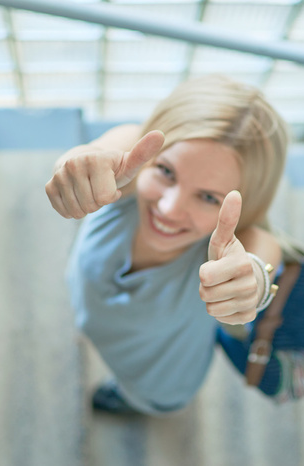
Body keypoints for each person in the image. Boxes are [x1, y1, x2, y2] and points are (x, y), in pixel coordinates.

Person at [45, 74, 290, 416]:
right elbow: (95, 154)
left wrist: (252, 283)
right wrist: (73, 168)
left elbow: (259, 258)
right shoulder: (132, 158)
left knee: (140, 397)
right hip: (102, 328)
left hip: (156, 381)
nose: (169, 209)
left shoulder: (235, 246)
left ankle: (129, 400)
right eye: (166, 171)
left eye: (207, 197)